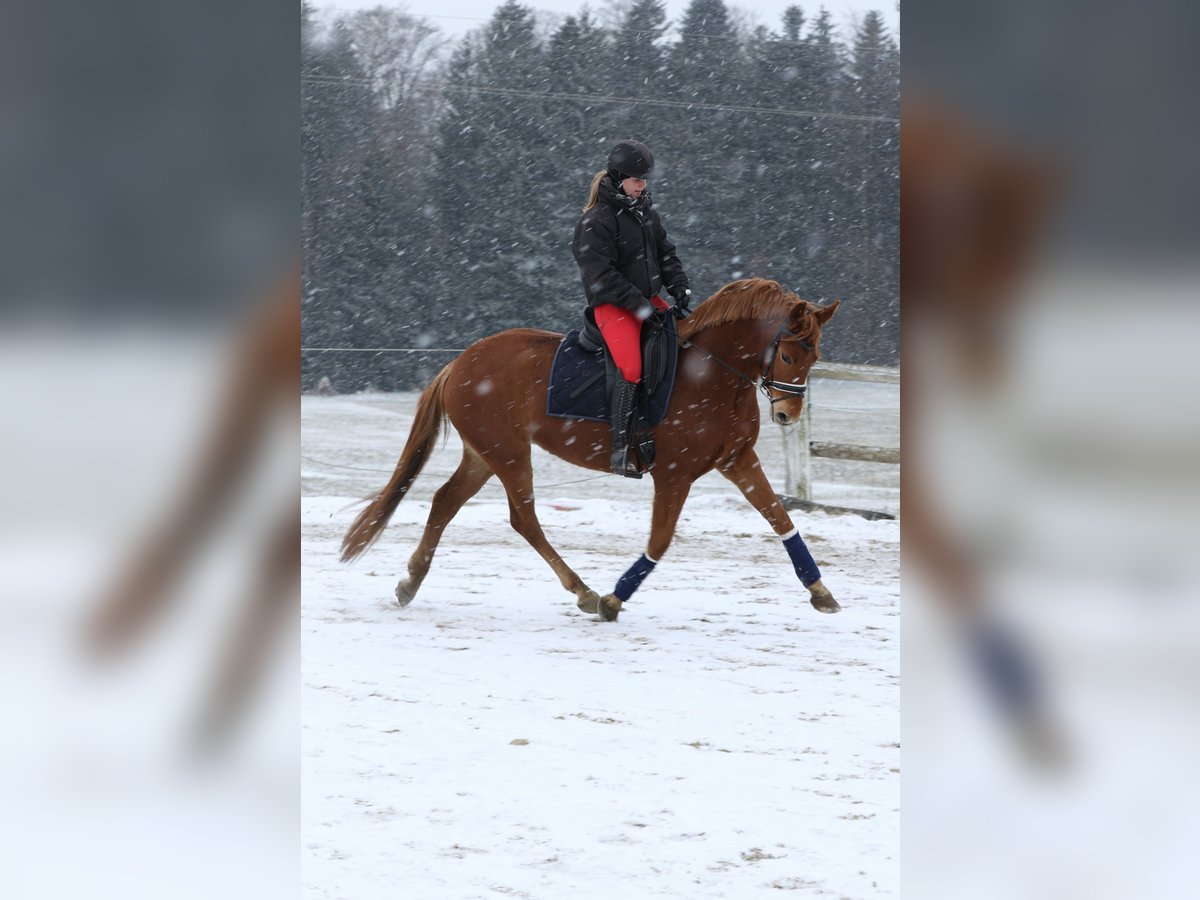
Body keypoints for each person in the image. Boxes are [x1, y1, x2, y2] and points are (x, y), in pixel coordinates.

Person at [571, 139, 692, 478]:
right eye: (637, 180)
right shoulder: (597, 221)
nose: (642, 186)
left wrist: (679, 285)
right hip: (613, 307)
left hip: (646, 301)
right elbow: (601, 277)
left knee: (681, 347)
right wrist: (640, 307)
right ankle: (622, 447)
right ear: (619, 177)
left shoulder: (646, 214)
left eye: (645, 181)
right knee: (632, 369)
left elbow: (666, 254)